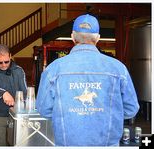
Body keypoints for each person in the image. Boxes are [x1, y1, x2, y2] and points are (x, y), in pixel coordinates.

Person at [36, 14, 140, 146]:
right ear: (98, 38)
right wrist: (107, 114)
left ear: (72, 36)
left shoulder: (53, 69)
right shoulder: (118, 68)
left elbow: (44, 109)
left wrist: (69, 114)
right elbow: (131, 109)